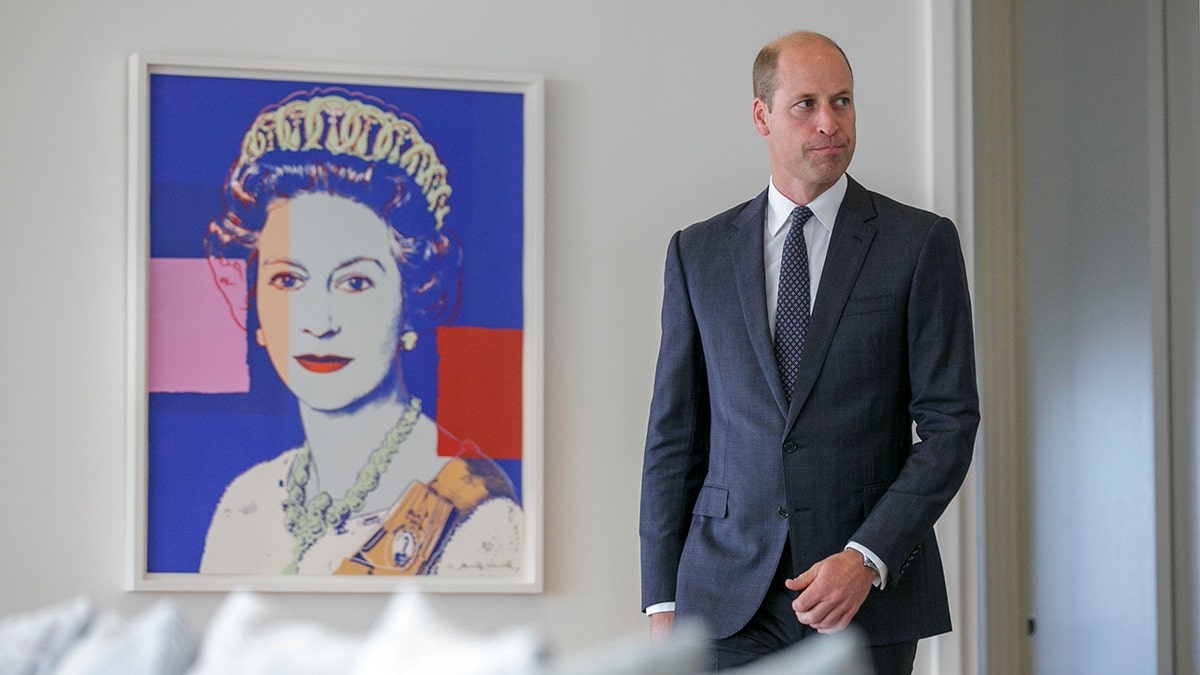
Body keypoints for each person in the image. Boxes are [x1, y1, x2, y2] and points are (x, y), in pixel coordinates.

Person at [638, 31, 978, 674]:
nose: (830, 122)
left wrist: (867, 557)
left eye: (843, 101)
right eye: (807, 104)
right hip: (721, 601)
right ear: (762, 115)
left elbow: (950, 427)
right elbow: (673, 435)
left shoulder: (919, 243)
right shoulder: (697, 253)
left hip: (861, 600)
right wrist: (661, 597)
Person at [198, 88, 523, 577]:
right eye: (288, 280)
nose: (320, 322)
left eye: (355, 282)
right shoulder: (244, 504)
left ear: (412, 299)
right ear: (254, 303)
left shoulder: (478, 521)